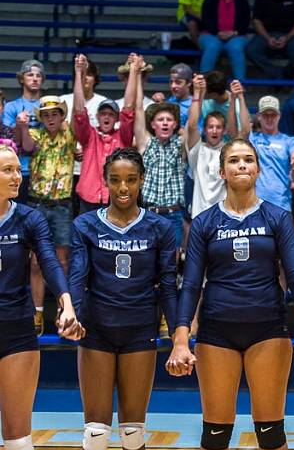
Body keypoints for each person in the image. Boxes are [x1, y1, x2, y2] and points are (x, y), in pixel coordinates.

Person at [169, 137, 294, 450]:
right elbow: (191, 285)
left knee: (270, 429)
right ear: (222, 171)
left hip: (268, 332)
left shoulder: (277, 217)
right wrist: (181, 337)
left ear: (257, 170)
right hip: (217, 333)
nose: (241, 165)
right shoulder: (203, 222)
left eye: (248, 160)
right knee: (215, 430)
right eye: (233, 160)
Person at [67, 147, 178, 450]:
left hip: (139, 335)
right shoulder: (84, 225)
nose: (123, 187)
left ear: (142, 180)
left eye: (131, 179)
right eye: (115, 180)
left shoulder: (160, 228)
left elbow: (168, 283)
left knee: (133, 432)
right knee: (95, 432)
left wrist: (178, 335)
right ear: (105, 180)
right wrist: (73, 313)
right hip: (96, 333)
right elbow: (77, 275)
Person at [0, 142, 81, 450]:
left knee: (17, 436)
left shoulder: (28, 218)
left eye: (18, 169)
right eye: (9, 170)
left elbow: (49, 261)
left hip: (14, 333)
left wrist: (66, 302)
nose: (18, 176)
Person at [15, 95, 76, 334]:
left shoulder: (69, 135)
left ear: (62, 116)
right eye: (46, 115)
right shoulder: (36, 134)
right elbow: (27, 146)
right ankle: (37, 312)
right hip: (36, 204)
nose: (51, 118)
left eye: (55, 114)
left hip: (62, 205)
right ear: (41, 118)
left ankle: (64, 311)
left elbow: (79, 114)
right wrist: (22, 126)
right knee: (36, 262)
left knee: (62, 261)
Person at [130, 56, 187, 250]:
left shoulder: (181, 144)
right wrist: (136, 73)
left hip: (174, 215)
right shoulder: (146, 142)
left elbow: (194, 126)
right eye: (160, 119)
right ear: (152, 124)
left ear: (175, 124)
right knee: (146, 260)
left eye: (169, 120)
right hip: (148, 213)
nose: (164, 123)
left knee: (171, 261)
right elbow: (137, 108)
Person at [71, 54, 135, 213]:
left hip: (115, 199)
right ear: (97, 117)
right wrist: (79, 72)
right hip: (89, 199)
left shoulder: (123, 137)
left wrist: (133, 71)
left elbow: (129, 107)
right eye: (103, 113)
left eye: (111, 114)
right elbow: (79, 110)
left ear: (117, 118)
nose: (107, 117)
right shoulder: (89, 136)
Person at [186, 75, 238, 219]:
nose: (214, 131)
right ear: (204, 130)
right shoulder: (197, 150)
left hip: (224, 218)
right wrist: (198, 93)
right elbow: (191, 126)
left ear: (224, 130)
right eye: (210, 127)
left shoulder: (229, 152)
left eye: (218, 127)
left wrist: (234, 99)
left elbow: (240, 133)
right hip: (200, 217)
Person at [250, 96, 294, 213]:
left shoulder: (290, 141)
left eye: (272, 115)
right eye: (265, 115)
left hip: (281, 205)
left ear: (279, 116)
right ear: (259, 117)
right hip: (254, 206)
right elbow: (237, 131)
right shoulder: (251, 139)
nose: (269, 119)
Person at [198, 0, 250, 81]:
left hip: (236, 35)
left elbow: (246, 21)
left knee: (236, 48)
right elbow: (205, 19)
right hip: (211, 34)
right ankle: (202, 85)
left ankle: (239, 86)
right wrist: (217, 32)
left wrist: (233, 33)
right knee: (212, 47)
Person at [4, 59, 45, 188]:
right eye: (30, 75)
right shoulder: (11, 107)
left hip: (43, 170)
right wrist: (19, 126)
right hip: (19, 169)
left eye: (38, 76)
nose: (35, 79)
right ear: (22, 79)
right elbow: (10, 142)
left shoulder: (48, 107)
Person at [167, 63, 196, 128]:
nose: (173, 86)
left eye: (178, 82)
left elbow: (195, 134)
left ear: (189, 83)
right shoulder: (169, 101)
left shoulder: (195, 106)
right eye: (171, 82)